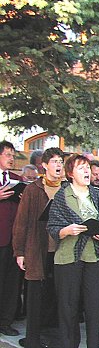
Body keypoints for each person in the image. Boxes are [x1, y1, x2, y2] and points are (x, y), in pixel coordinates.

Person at [47, 154, 99, 348]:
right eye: (81, 168)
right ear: (70, 173)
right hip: (68, 258)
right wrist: (66, 231)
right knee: (68, 306)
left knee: (94, 306)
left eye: (88, 168)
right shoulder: (62, 196)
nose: (86, 172)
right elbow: (53, 226)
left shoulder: (97, 194)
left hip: (94, 256)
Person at [12, 148, 64, 348]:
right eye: (54, 162)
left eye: (61, 161)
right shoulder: (34, 190)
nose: (58, 165)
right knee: (36, 298)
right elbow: (21, 222)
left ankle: (53, 341)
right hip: (37, 250)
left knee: (55, 297)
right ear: (44, 165)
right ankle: (34, 342)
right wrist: (20, 251)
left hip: (60, 251)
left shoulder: (66, 189)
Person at [0, 141, 21, 337]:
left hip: (14, 240)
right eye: (7, 155)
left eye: (13, 155)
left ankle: (6, 321)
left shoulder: (16, 179)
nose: (11, 159)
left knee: (11, 283)